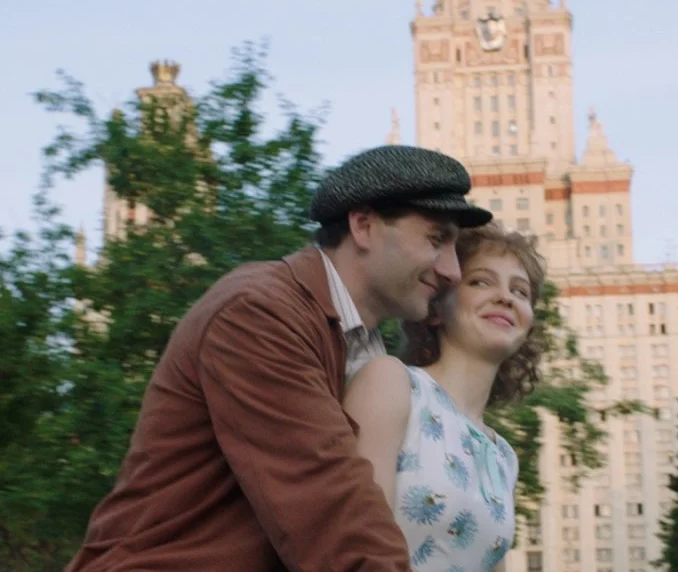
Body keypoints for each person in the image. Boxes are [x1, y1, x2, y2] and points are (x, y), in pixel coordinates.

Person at [65, 145, 492, 572]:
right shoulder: (259, 315)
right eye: (436, 240)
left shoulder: (359, 348)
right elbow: (334, 515)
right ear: (363, 226)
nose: (451, 271)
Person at [343, 222, 546, 572]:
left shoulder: (503, 458)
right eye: (481, 281)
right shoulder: (392, 384)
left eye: (520, 291)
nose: (506, 297)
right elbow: (354, 543)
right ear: (436, 309)